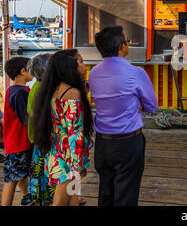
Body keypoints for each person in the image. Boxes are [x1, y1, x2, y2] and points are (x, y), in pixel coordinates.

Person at [89, 26, 157, 206]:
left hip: (102, 142)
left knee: (106, 193)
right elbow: (151, 105)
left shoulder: (94, 73)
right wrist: (138, 103)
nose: (128, 44)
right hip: (128, 142)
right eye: (127, 41)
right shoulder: (136, 73)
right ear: (121, 47)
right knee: (126, 195)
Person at [32, 49, 93, 206]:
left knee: (73, 189)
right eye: (80, 61)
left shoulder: (52, 89)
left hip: (56, 146)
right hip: (69, 150)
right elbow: (75, 132)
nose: (84, 64)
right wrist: (77, 162)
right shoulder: (73, 93)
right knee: (64, 189)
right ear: (69, 66)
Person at [24, 53, 56, 206]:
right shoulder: (45, 89)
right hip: (45, 139)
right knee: (47, 173)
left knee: (39, 174)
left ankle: (40, 200)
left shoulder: (36, 85)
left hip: (37, 138)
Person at [1, 57, 34, 206]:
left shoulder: (15, 89)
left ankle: (27, 197)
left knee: (20, 174)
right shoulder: (20, 93)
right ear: (23, 71)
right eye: (31, 68)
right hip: (18, 143)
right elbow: (27, 120)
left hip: (16, 142)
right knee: (11, 180)